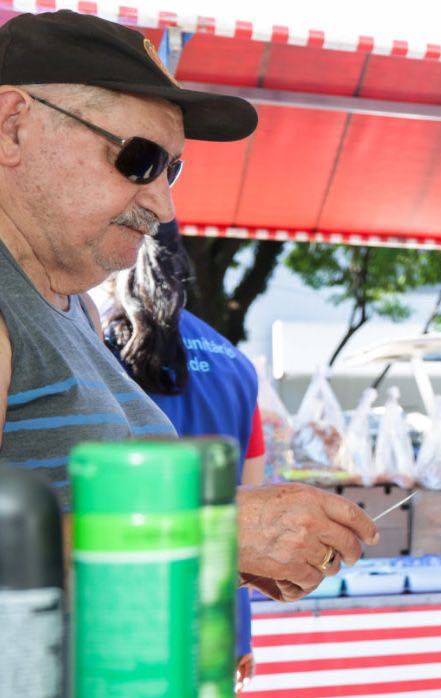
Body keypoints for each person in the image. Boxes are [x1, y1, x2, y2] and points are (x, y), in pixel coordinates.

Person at [0, 10, 374, 602]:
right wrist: (211, 534)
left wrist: (233, 548)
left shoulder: (76, 310)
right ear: (12, 126)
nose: (163, 204)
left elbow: (89, 535)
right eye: (139, 158)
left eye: (172, 168)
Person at [105, 224, 274, 678]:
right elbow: (249, 514)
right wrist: (242, 634)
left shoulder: (96, 349)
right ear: (182, 273)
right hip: (216, 621)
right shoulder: (235, 364)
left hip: (123, 620)